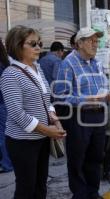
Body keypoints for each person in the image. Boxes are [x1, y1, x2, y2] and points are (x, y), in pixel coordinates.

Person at [0, 25, 66, 199]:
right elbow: (17, 113)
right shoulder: (10, 74)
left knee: (40, 185)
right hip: (22, 142)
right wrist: (47, 130)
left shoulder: (37, 68)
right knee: (26, 188)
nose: (39, 47)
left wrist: (54, 119)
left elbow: (47, 100)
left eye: (39, 43)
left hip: (42, 139)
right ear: (17, 45)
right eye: (33, 44)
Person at [54, 27, 110, 199]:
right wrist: (88, 99)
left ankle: (93, 193)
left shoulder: (96, 63)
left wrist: (109, 94)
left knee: (96, 157)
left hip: (98, 115)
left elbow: (102, 88)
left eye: (97, 41)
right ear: (79, 43)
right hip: (78, 117)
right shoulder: (68, 63)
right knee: (77, 159)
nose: (95, 44)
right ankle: (80, 195)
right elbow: (60, 97)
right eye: (91, 41)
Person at [0, 38, 13, 174]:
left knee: (2, 135)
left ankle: (7, 164)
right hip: (4, 102)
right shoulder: (5, 61)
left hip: (1, 103)